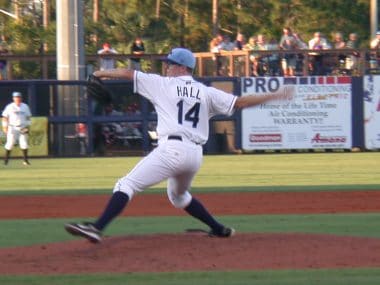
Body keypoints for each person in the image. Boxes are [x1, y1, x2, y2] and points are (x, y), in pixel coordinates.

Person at [64, 47, 293, 243]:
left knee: (126, 184)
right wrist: (274, 95)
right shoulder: (206, 92)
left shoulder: (162, 84)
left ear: (182, 68)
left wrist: (99, 72)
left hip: (172, 150)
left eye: (170, 64)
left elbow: (126, 72)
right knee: (178, 197)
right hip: (194, 156)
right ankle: (218, 228)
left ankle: (96, 228)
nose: (166, 68)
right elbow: (240, 102)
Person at [2, 91, 32, 165]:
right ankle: (6, 160)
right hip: (12, 127)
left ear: (21, 98)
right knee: (10, 143)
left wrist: (28, 126)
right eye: (16, 97)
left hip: (22, 127)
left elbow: (28, 117)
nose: (17, 99)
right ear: (13, 98)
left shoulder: (25, 106)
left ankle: (25, 160)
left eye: (19, 97)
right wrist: (5, 127)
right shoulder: (10, 106)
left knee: (24, 143)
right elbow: (5, 117)